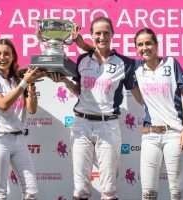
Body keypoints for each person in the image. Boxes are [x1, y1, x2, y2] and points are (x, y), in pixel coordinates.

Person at [50, 16, 141, 200]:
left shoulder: (125, 63)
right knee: (81, 188)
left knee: (108, 189)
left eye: (106, 33)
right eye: (97, 33)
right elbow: (80, 90)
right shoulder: (83, 59)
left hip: (108, 126)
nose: (102, 37)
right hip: (81, 124)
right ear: (91, 35)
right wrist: (66, 81)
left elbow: (139, 94)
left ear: (112, 35)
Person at [0, 38, 45, 200]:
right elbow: (3, 104)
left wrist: (30, 85)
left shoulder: (18, 79)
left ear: (13, 56)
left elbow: (31, 108)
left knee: (31, 192)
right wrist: (24, 82)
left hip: (19, 140)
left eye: (7, 54)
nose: (2, 57)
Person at [134, 28, 183, 200]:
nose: (144, 47)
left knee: (176, 192)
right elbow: (105, 55)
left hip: (175, 135)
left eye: (148, 43)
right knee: (148, 193)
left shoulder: (171, 63)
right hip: (150, 136)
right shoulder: (136, 68)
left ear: (156, 45)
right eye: (140, 44)